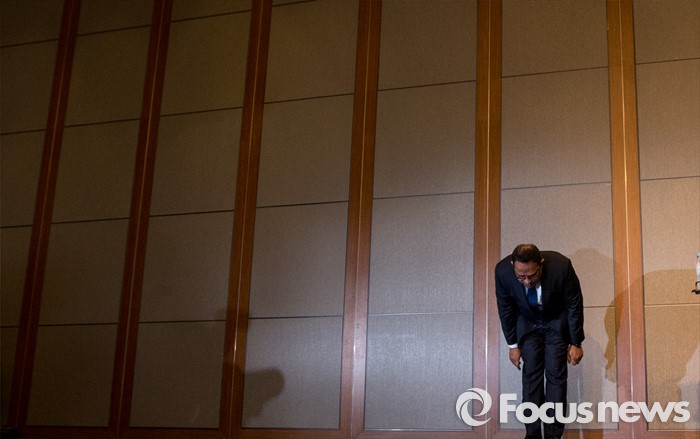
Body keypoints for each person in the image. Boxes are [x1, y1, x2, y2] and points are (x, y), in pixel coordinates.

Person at [495, 244, 584, 439]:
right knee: (531, 379)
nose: (527, 281)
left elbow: (574, 304)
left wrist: (576, 342)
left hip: (555, 323)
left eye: (532, 275)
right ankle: (532, 435)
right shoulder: (502, 272)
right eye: (521, 276)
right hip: (528, 324)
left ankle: (553, 435)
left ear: (541, 264)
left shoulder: (561, 267)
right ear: (513, 265)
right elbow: (505, 309)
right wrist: (513, 345)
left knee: (556, 379)